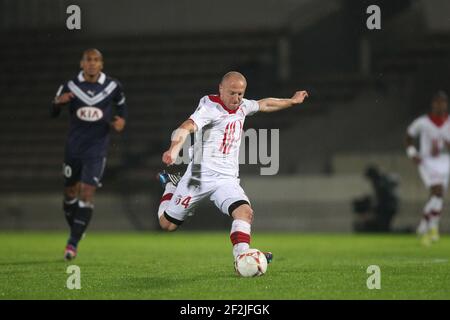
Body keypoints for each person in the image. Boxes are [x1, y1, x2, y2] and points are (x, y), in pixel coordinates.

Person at [156, 71, 308, 268]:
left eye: (240, 94)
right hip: (198, 177)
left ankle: (242, 257)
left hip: (226, 179)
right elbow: (187, 126)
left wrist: (292, 101)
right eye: (232, 93)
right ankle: (170, 186)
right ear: (221, 89)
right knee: (167, 225)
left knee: (245, 212)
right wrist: (174, 149)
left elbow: (265, 103)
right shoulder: (209, 106)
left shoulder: (242, 106)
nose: (236, 98)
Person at [50, 49, 128, 260]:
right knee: (70, 193)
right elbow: (53, 111)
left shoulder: (113, 86)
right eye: (88, 60)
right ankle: (77, 227)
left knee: (87, 192)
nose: (92, 64)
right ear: (82, 64)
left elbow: (121, 108)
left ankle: (72, 243)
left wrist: (121, 121)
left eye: (96, 60)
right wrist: (59, 102)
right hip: (74, 148)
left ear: (101, 64)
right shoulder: (70, 86)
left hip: (97, 149)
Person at [406, 91, 449, 245]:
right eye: (437, 102)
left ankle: (426, 225)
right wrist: (412, 153)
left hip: (445, 162)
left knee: (437, 196)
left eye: (443, 102)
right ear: (433, 104)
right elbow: (409, 136)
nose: (440, 105)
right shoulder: (423, 122)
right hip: (427, 162)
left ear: (446, 104)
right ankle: (432, 228)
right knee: (437, 191)